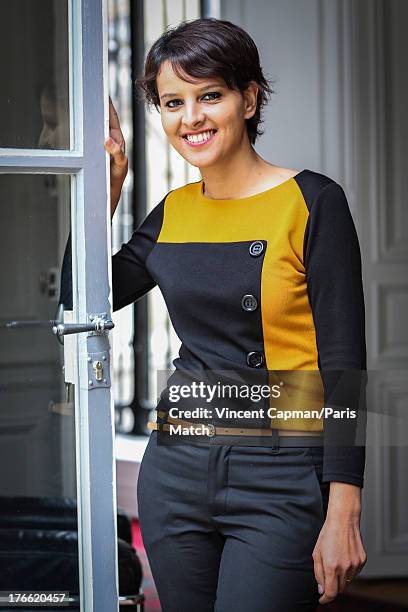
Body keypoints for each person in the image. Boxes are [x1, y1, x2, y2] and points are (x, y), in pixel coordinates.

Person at [102, 17, 367, 612]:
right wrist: (105, 192)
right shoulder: (173, 213)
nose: (190, 117)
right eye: (173, 102)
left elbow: (344, 363)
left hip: (281, 475)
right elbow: (81, 298)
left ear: (248, 99)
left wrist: (345, 503)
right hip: (176, 471)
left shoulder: (312, 200)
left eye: (210, 96)